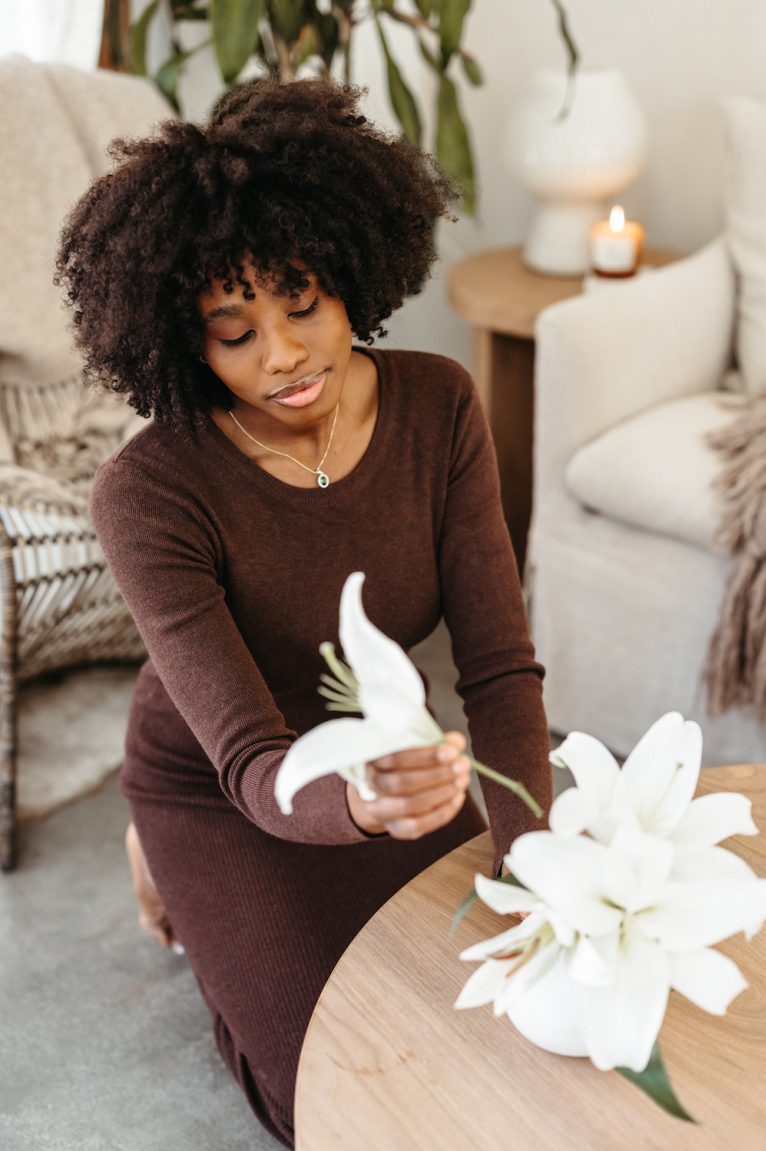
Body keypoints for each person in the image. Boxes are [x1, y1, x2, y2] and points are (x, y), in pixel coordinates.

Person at [56, 79, 552, 1149]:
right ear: (187, 346)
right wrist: (364, 807)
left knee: (510, 1009)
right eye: (233, 334)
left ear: (347, 273)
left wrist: (535, 863)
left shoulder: (438, 405)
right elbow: (248, 761)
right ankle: (163, 849)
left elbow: (501, 669)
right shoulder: (147, 491)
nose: (280, 353)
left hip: (382, 733)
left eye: (300, 301)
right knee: (337, 1085)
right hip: (222, 772)